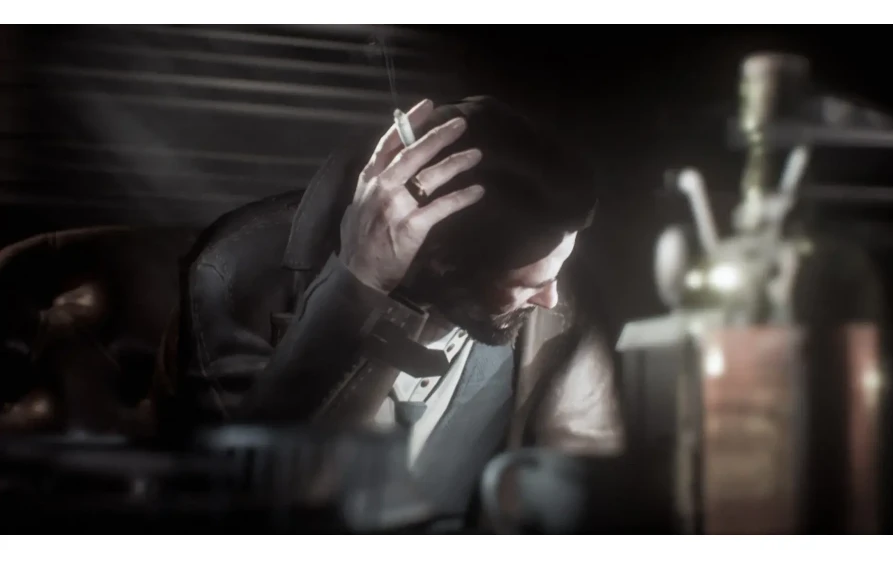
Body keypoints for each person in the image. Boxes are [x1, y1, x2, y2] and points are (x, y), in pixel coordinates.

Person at [158, 95, 624, 528]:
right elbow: (252, 506)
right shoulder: (237, 273)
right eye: (526, 285)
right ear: (443, 259)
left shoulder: (553, 290)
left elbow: (589, 477)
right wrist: (356, 287)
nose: (551, 299)